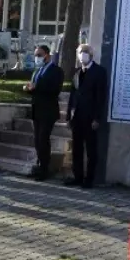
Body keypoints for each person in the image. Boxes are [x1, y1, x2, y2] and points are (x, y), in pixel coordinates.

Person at [66, 44, 109, 188]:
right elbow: (73, 96)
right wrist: (68, 116)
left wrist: (97, 118)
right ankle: (77, 176)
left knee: (91, 150)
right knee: (76, 148)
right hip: (76, 116)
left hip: (90, 117)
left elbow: (100, 97)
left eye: (85, 52)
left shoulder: (99, 72)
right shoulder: (77, 73)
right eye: (80, 52)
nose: (82, 55)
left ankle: (89, 179)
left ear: (91, 55)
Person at [25, 44, 64, 181]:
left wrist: (37, 87)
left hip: (48, 111)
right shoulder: (37, 71)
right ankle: (39, 164)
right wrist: (29, 88)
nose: (37, 58)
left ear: (47, 55)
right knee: (37, 140)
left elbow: (54, 90)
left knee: (43, 139)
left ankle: (44, 169)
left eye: (39, 55)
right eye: (36, 55)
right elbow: (35, 89)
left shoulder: (56, 71)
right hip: (37, 110)